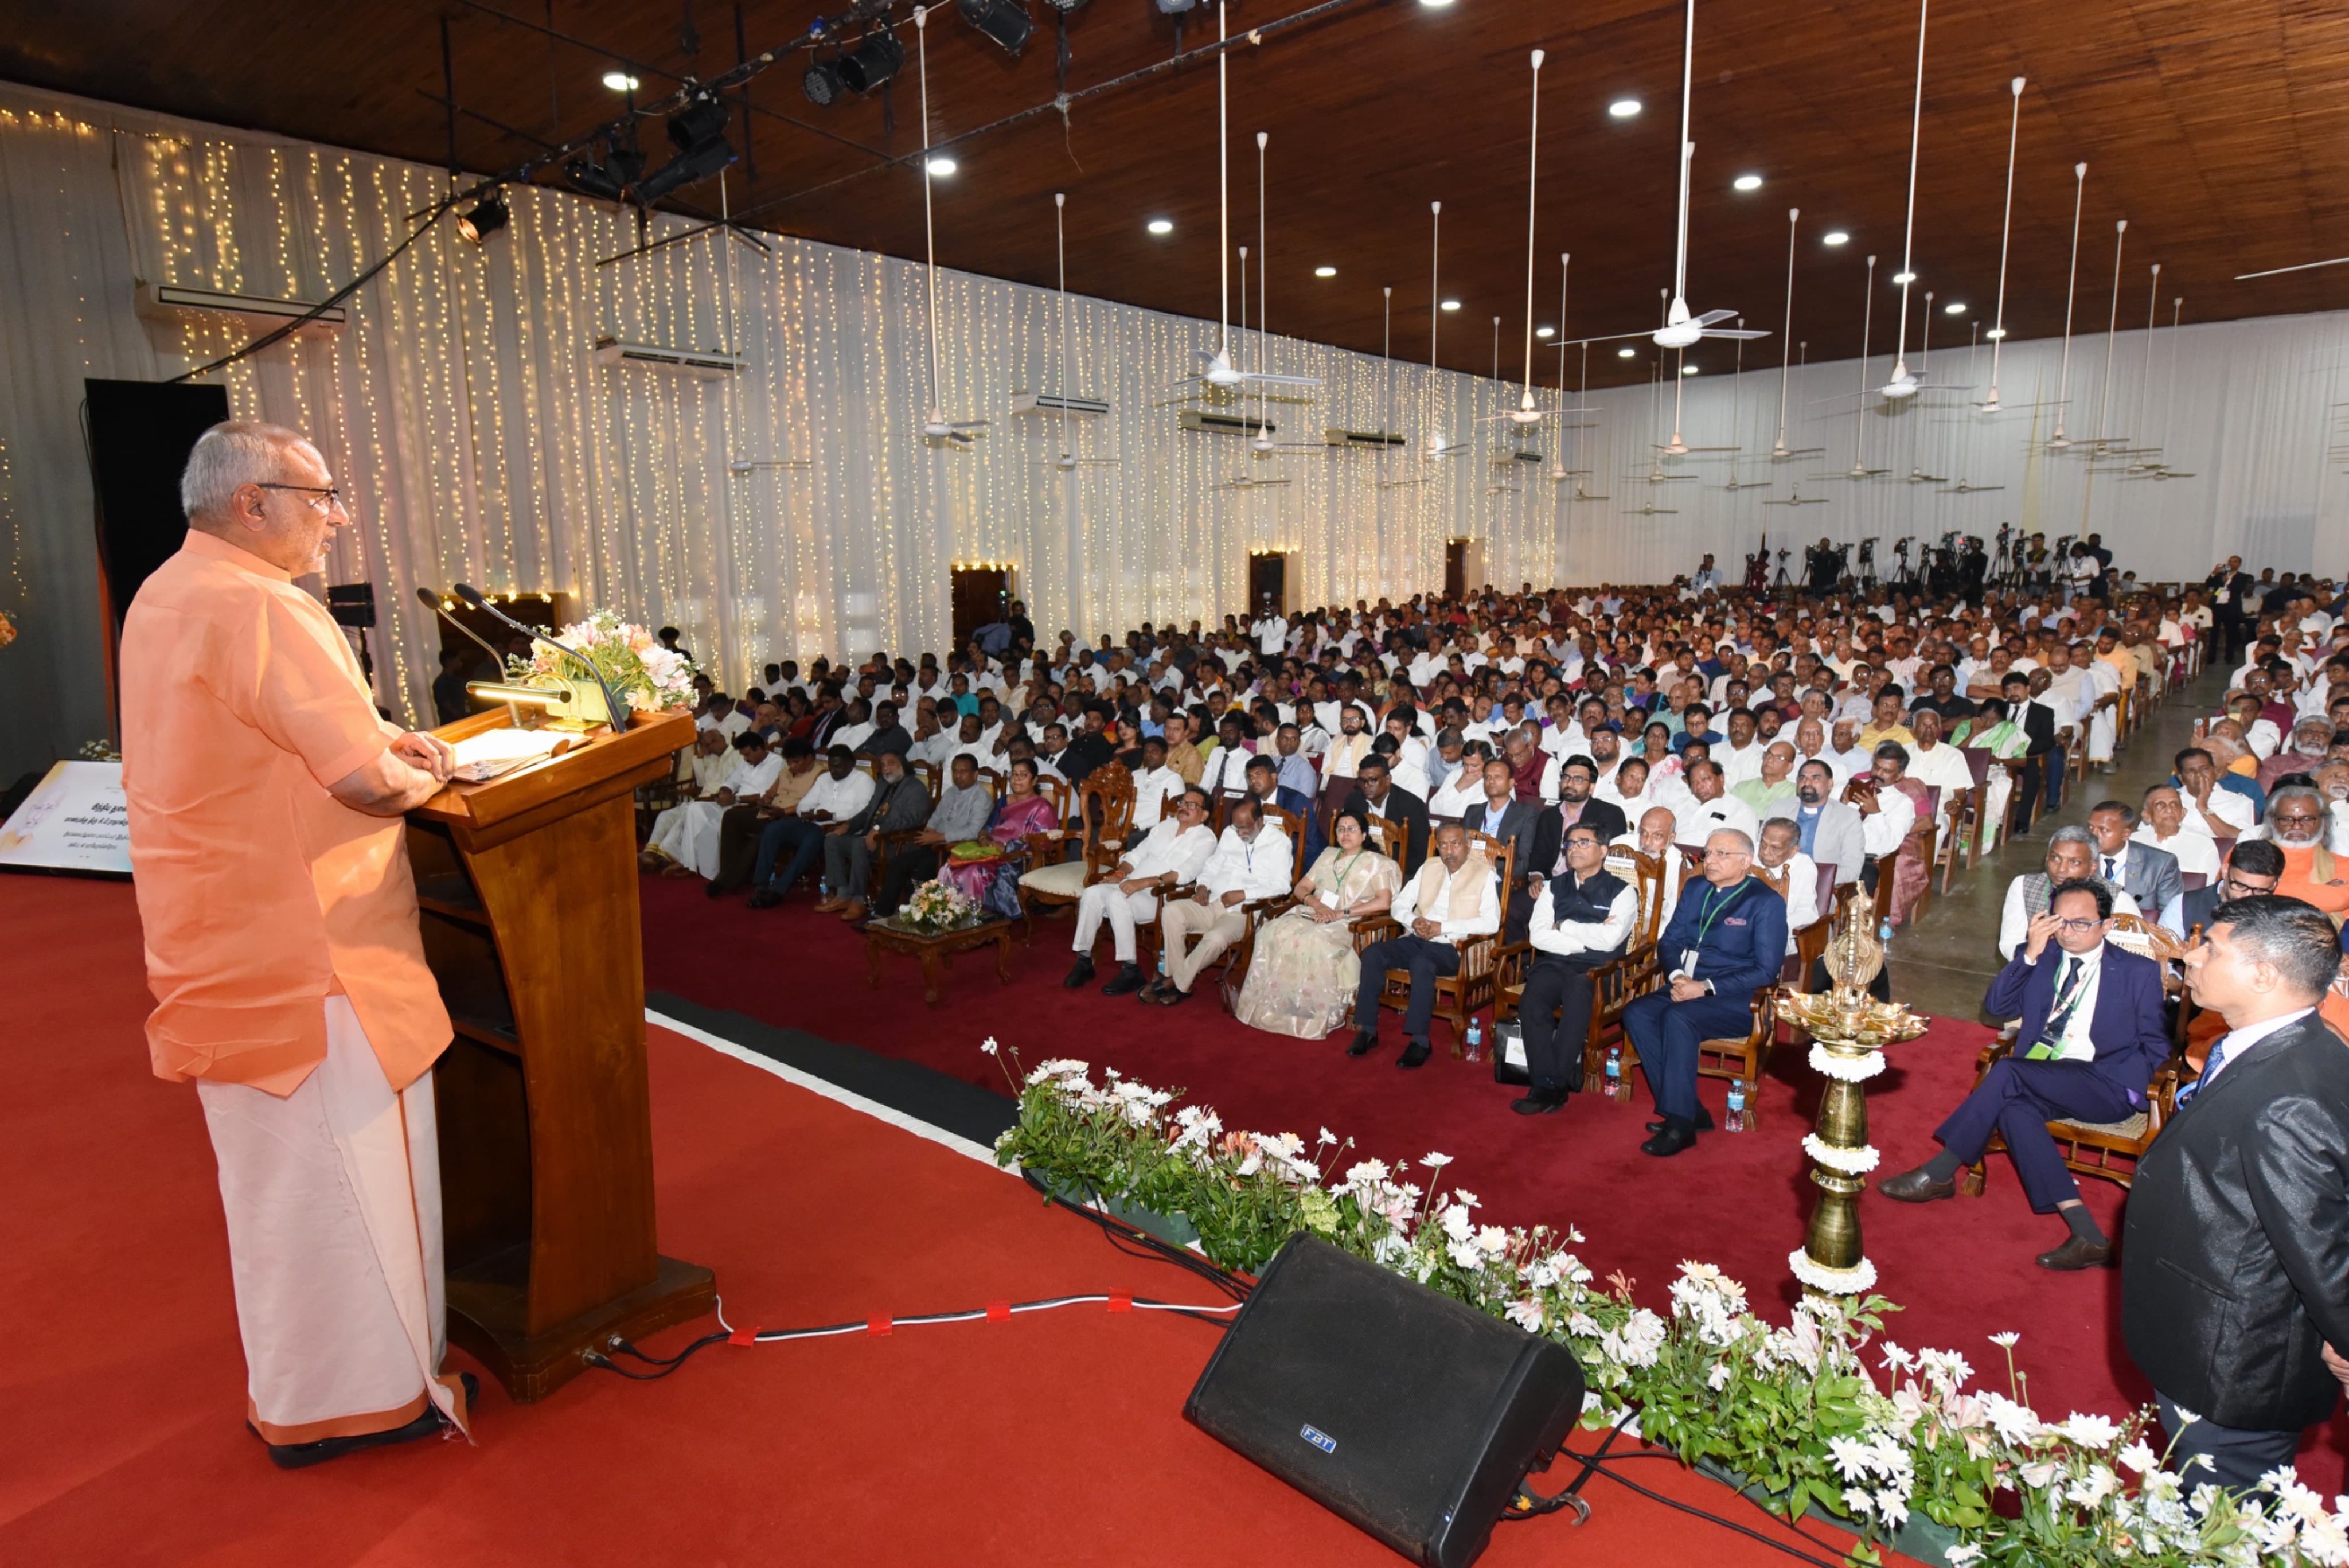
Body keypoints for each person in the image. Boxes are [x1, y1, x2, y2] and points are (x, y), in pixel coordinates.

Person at [120, 419, 472, 1465]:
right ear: (252, 502)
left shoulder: (163, 594)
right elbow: (362, 780)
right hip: (318, 958)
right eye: (317, 494)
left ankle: (298, 1388)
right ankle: (375, 1396)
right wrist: (435, 770)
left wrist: (380, 743)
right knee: (358, 1189)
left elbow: (269, 750)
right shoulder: (266, 605)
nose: (336, 514)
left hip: (222, 943)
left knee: (277, 1199)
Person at [2126, 895, 2349, 1490]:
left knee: (2222, 1528)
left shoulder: (2289, 1099)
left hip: (2231, 1361)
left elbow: (2321, 1245)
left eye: (2209, 947)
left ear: (2262, 973)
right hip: (2208, 1330)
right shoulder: (2292, 1045)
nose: (2188, 954)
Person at [1880, 877, 2171, 1269]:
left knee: (2009, 1073)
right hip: (2044, 1071)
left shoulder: (2136, 971)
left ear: (2105, 925)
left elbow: (2156, 1042)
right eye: (2059, 921)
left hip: (2104, 1081)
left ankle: (1942, 1170)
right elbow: (1996, 1007)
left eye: (2080, 923)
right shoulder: (2041, 956)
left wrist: (2142, 1089)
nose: (2067, 932)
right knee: (2015, 1109)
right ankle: (2087, 1234)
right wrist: (2030, 955)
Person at [1620, 829, 1786, 1156]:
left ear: (1746, 862)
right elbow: (1670, 942)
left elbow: (1766, 971)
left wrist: (1705, 988)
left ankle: (1680, 1125)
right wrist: (1680, 976)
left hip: (1738, 998)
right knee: (1636, 1013)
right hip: (1686, 984)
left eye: (1721, 854)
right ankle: (1691, 1109)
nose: (1710, 860)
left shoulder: (1766, 902)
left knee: (1679, 1018)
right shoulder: (1696, 888)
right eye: (1708, 853)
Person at [1235, 808, 1404, 1039]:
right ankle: (1280, 1004)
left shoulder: (1378, 863)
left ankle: (1311, 1010)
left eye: (1352, 829)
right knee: (1274, 930)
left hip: (1351, 920)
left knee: (1315, 940)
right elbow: (1301, 888)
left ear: (1364, 835)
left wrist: (1341, 913)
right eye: (1341, 829)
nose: (1346, 834)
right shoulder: (1328, 855)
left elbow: (1383, 902)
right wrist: (1316, 905)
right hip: (1316, 912)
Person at [1509, 821, 1638, 1115]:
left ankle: (1554, 1083)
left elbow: (1609, 942)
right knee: (1534, 1000)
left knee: (1580, 991)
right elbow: (1538, 935)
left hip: (1598, 970)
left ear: (1603, 850)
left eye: (1584, 843)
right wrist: (1583, 941)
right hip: (1555, 962)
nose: (1574, 849)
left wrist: (1564, 926)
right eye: (1570, 844)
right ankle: (1546, 1085)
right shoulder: (1554, 887)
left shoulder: (1623, 892)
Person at [1347, 822, 1500, 1068]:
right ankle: (1367, 1029)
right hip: (1417, 938)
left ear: (1468, 846)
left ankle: (1420, 1041)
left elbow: (1491, 922)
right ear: (1437, 846)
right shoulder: (1429, 867)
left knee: (1422, 963)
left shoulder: (1484, 874)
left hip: (1453, 946)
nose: (1449, 850)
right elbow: (1399, 905)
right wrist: (1414, 920)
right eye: (1443, 844)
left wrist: (1443, 927)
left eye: (1456, 844)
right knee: (1373, 953)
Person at [1065, 787, 1216, 996]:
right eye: (1182, 802)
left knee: (1118, 899)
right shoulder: (1165, 826)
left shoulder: (1206, 839)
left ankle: (1131, 969)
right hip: (1130, 885)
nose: (1183, 807)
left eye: (1192, 805)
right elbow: (1136, 855)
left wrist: (1143, 883)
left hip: (1161, 896)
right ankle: (1084, 960)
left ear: (1205, 815)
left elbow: (1186, 873)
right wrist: (1120, 874)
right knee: (1092, 893)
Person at [1150, 797, 1294, 1006]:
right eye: (1237, 828)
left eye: (1245, 828)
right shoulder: (1229, 833)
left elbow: (1283, 886)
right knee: (1171, 910)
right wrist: (1202, 885)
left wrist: (1244, 893)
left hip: (1243, 912)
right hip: (1212, 903)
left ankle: (1173, 982)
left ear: (1260, 822)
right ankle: (1182, 982)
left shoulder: (1279, 843)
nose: (1240, 833)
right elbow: (1212, 866)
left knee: (1216, 938)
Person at [748, 745, 873, 907]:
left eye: (837, 766)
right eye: (830, 766)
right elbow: (804, 803)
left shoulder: (864, 781)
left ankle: (778, 891)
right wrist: (808, 813)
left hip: (835, 828)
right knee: (774, 829)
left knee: (811, 841)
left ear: (851, 764)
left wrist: (832, 816)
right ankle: (761, 885)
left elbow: (862, 812)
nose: (833, 771)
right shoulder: (824, 778)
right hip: (812, 822)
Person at [1996, 826, 2142, 961]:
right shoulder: (2023, 885)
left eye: (2074, 863)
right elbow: (2010, 941)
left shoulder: (2118, 899)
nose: (2062, 869)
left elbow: (2133, 953)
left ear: (2092, 867)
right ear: (2047, 858)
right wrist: (2031, 960)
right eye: (2056, 858)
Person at [883, 752, 1004, 913]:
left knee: (924, 868)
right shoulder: (950, 793)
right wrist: (930, 829)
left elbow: (974, 831)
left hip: (957, 849)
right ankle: (882, 911)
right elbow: (936, 816)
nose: (958, 776)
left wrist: (939, 837)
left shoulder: (982, 798)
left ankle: (910, 912)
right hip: (935, 844)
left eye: (963, 771)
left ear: (975, 774)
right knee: (899, 862)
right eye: (955, 771)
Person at [1767, 760, 1866, 888]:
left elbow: (1852, 869)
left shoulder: (1848, 817)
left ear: (1830, 784)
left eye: (1816, 778)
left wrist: (1812, 877)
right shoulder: (1779, 808)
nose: (1807, 783)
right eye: (1803, 778)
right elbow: (1762, 850)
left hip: (1819, 887)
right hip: (1775, 881)